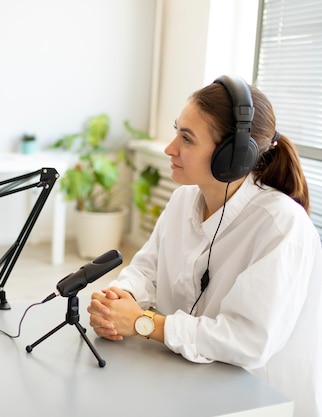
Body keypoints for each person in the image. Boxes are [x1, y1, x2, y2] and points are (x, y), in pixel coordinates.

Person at [88, 75, 321, 416]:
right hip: (187, 382)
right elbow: (146, 270)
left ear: (233, 156)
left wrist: (143, 323)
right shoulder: (183, 201)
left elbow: (247, 340)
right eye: (176, 131)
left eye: (187, 139)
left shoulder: (281, 224)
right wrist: (119, 300)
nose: (170, 148)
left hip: (254, 400)